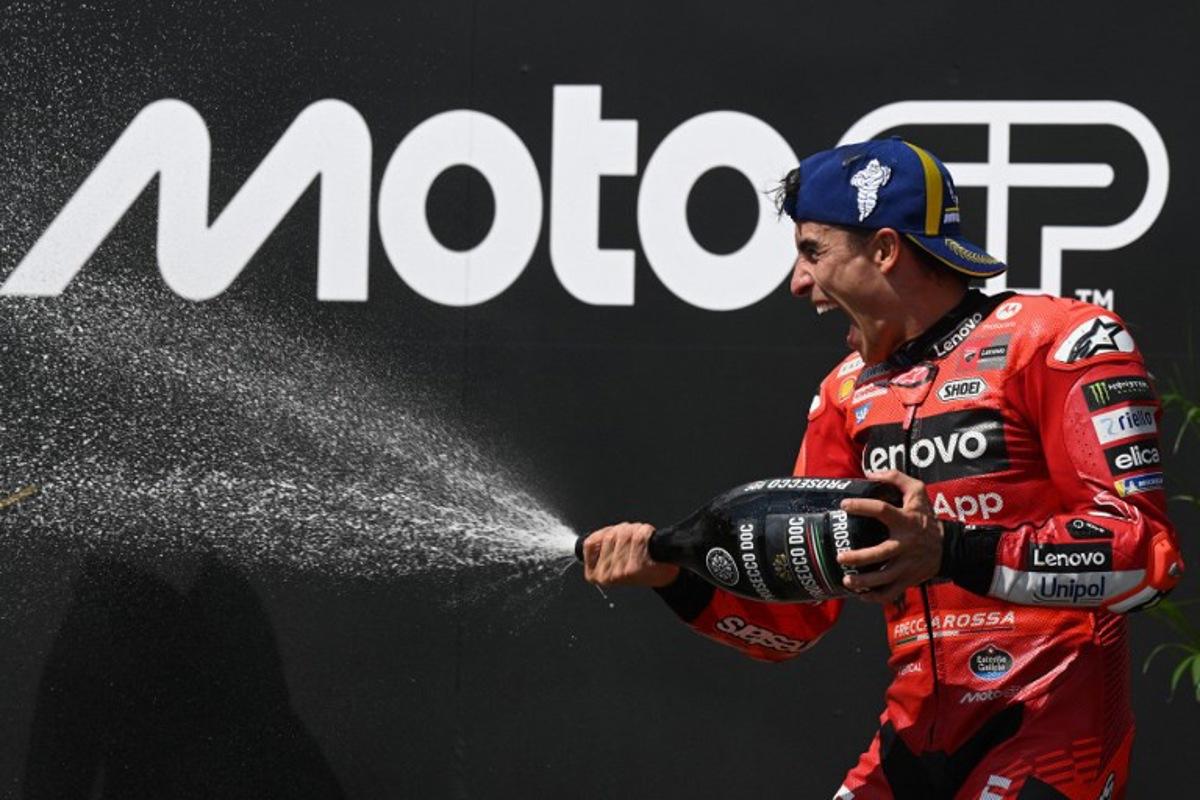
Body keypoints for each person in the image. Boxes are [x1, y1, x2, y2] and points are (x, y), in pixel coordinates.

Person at [581, 138, 1183, 799]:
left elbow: (1143, 559)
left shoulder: (1061, 341)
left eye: (813, 252)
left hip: (1048, 744)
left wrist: (951, 550)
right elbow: (794, 625)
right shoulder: (844, 393)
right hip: (913, 745)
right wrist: (675, 577)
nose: (798, 282)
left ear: (886, 250)